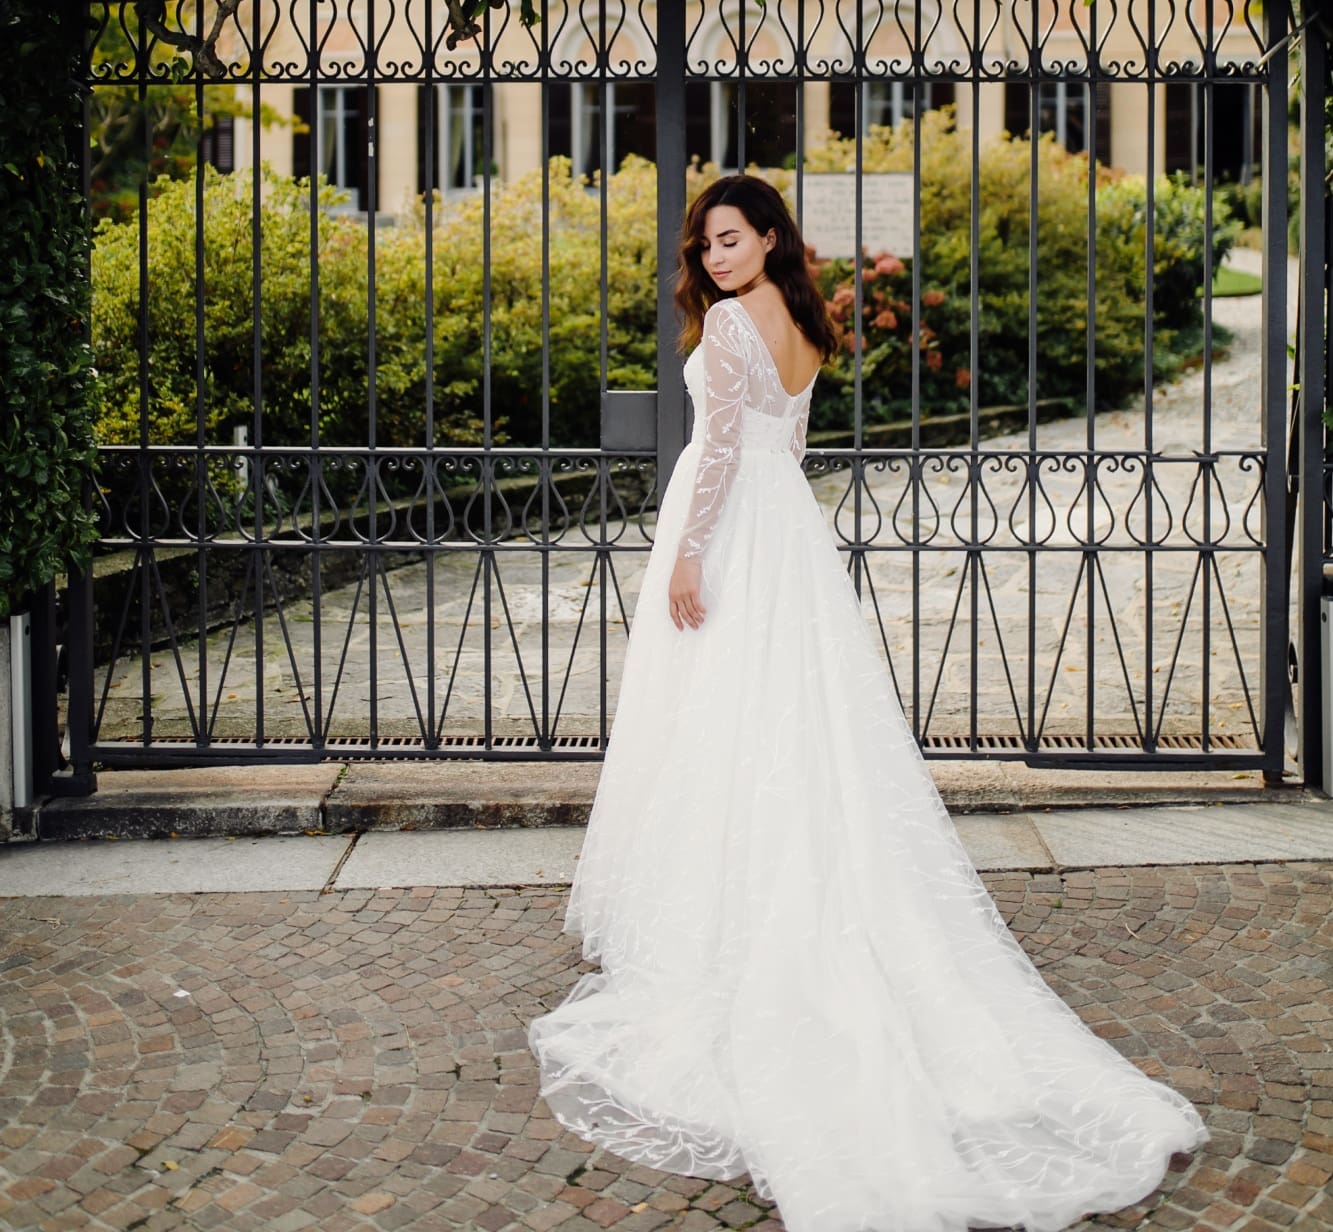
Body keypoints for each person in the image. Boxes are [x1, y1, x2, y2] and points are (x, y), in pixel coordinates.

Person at [527, 174, 1207, 1232]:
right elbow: (784, 446)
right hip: (786, 528)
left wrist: (690, 553)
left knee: (720, 717)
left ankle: (723, 914)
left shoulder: (734, 324)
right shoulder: (803, 319)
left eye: (729, 238)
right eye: (704, 244)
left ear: (768, 238)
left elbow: (718, 451)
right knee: (787, 722)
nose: (713, 256)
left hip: (734, 529)